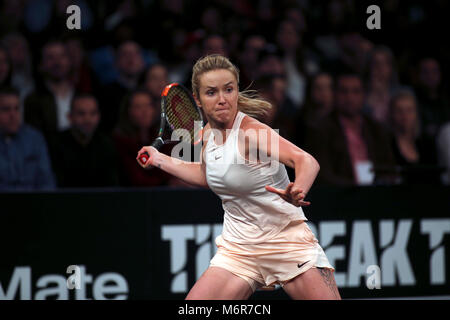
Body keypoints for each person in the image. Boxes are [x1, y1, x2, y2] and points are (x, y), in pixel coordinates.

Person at [137, 55, 340, 300]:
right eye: (211, 92)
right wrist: (160, 159)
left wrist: (299, 189)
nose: (222, 99)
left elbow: (306, 161)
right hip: (239, 248)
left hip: (286, 241)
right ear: (197, 100)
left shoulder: (251, 132)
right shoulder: (207, 134)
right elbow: (207, 175)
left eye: (229, 90)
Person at [305, 72, 396, 186]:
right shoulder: (321, 129)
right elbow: (322, 174)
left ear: (363, 95)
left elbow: (388, 168)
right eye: (344, 92)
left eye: (356, 92)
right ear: (335, 94)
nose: (350, 97)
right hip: (339, 196)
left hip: (376, 194)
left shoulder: (376, 129)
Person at [50, 94, 119, 188]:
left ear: (99, 116)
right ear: (70, 117)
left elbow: (112, 185)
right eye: (81, 114)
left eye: (93, 113)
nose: (88, 119)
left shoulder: (106, 144)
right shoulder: (56, 143)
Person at [0, 87, 55, 190]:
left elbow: (46, 182)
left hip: (33, 203)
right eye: (6, 109)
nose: (13, 115)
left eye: (16, 108)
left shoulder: (35, 139)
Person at [113, 89, 171, 187]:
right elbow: (136, 180)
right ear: (128, 111)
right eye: (138, 107)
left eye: (148, 105)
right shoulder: (120, 141)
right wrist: (166, 184)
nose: (145, 111)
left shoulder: (162, 138)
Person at [388, 89, 439, 184]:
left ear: (416, 114)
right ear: (391, 114)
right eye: (399, 110)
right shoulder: (386, 146)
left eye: (409, 110)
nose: (404, 116)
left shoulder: (428, 146)